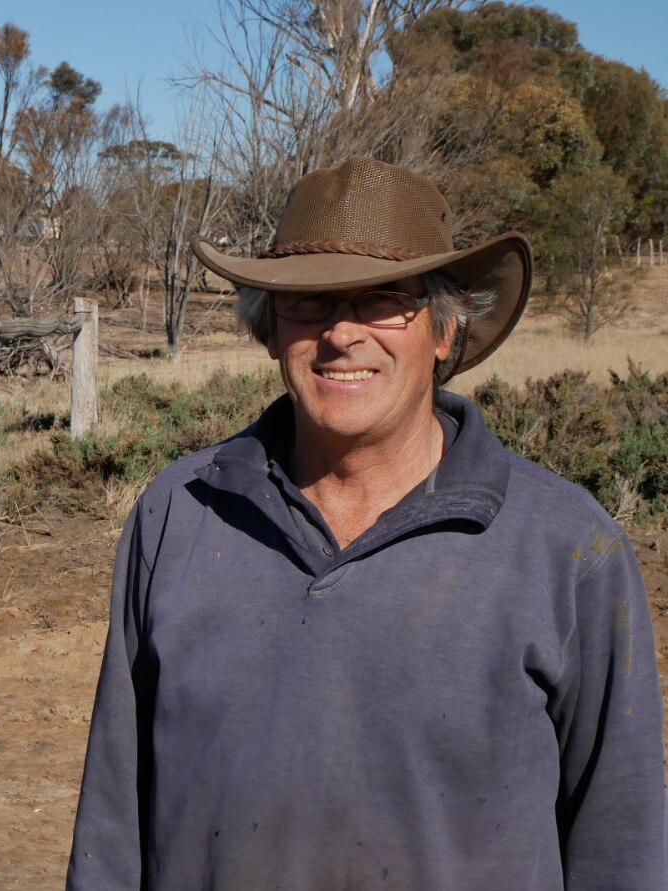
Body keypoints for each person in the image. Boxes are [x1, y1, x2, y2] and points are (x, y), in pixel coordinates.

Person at [67, 157, 666, 889]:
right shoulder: (179, 515)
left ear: (445, 331)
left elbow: (621, 843)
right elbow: (113, 826)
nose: (342, 332)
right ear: (270, 328)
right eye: (310, 301)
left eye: (384, 298)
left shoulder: (569, 550)